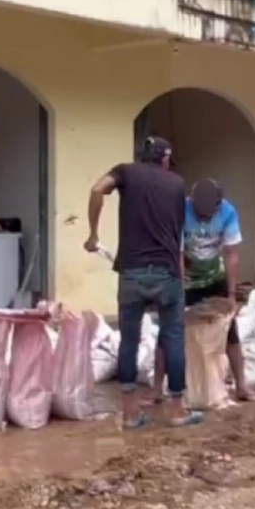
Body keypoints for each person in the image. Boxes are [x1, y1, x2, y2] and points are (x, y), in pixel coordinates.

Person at [84, 136, 202, 430]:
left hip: (132, 272)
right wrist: (179, 273)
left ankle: (130, 413)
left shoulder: (126, 171)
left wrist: (93, 234)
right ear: (165, 158)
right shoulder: (176, 184)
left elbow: (98, 189)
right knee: (173, 339)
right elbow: (177, 236)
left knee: (129, 341)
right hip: (166, 272)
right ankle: (176, 410)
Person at [152, 178, 255, 403]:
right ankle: (156, 390)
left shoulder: (228, 213)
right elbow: (179, 256)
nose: (204, 219)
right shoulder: (179, 211)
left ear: (218, 206)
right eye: (201, 215)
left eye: (209, 215)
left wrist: (231, 295)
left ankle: (241, 386)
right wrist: (179, 293)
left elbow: (231, 255)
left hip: (214, 278)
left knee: (231, 330)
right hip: (184, 278)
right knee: (168, 332)